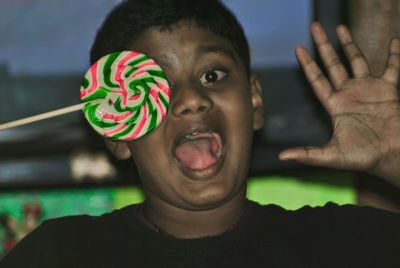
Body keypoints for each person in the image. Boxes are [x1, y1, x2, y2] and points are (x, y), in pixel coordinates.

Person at [1, 0, 400, 267]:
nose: (191, 99)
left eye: (212, 75)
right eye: (157, 84)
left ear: (254, 101)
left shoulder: (340, 245)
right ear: (118, 130)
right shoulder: (61, 255)